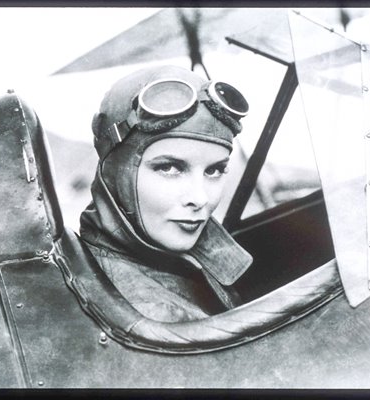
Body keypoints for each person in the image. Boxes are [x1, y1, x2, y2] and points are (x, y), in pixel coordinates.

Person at [79, 65, 253, 323]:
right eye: (170, 168)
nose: (200, 198)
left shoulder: (173, 256)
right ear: (116, 170)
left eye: (215, 170)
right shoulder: (158, 316)